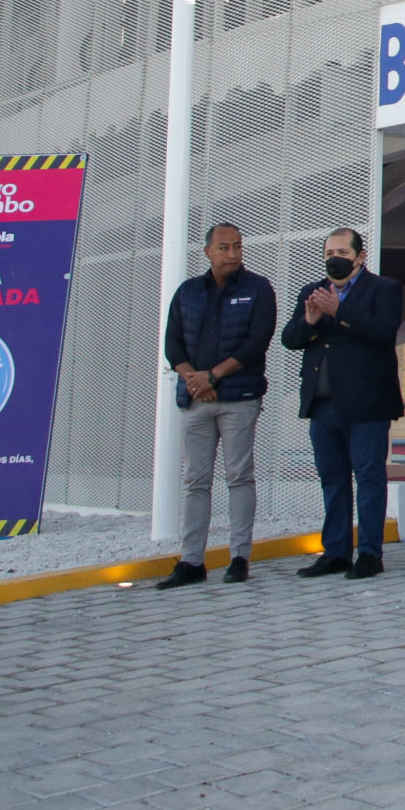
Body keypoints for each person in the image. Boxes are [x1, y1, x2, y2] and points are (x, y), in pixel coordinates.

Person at [156, 222, 276, 590]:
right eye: (224, 247)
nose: (232, 254)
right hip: (196, 401)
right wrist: (195, 378)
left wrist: (214, 376)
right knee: (195, 481)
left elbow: (257, 342)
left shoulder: (258, 289)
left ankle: (239, 556)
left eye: (237, 247)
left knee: (239, 476)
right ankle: (192, 560)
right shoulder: (188, 292)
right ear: (207, 251)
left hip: (238, 400)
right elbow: (173, 343)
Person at [282, 227, 404, 578]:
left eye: (343, 252)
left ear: (360, 257)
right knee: (332, 478)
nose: (335, 259)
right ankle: (335, 551)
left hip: (367, 403)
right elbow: (290, 339)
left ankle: (369, 553)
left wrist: (340, 310)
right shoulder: (312, 292)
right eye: (329, 253)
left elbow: (383, 332)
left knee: (368, 476)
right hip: (323, 403)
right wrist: (310, 320)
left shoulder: (384, 289)